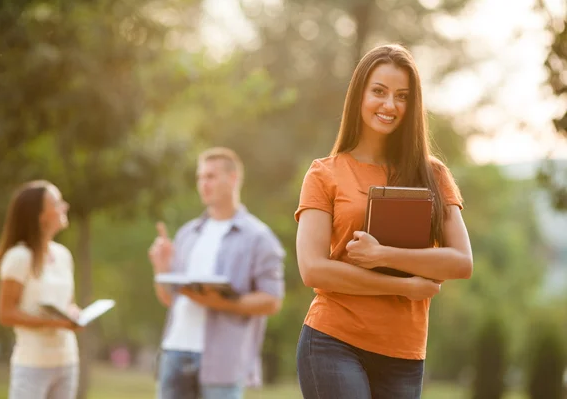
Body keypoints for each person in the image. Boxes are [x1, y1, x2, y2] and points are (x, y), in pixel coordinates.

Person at [294, 44, 473, 399]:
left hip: (404, 352)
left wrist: (383, 255)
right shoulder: (324, 174)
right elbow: (313, 269)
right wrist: (405, 286)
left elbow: (461, 262)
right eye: (379, 91)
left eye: (402, 96)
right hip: (333, 341)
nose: (389, 105)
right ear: (359, 94)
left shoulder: (433, 175)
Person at [148, 147, 285, 399]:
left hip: (222, 362)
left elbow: (272, 301)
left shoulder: (259, 238)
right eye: (200, 177)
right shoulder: (188, 233)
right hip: (174, 352)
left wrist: (221, 303)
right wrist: (161, 266)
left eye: (210, 176)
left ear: (233, 179)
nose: (203, 184)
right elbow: (171, 300)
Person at [0, 180, 81, 399]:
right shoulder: (18, 258)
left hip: (67, 361)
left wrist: (74, 314)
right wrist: (52, 323)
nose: (65, 206)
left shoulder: (63, 256)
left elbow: (68, 303)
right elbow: (6, 313)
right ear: (39, 215)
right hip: (33, 364)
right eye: (57, 202)